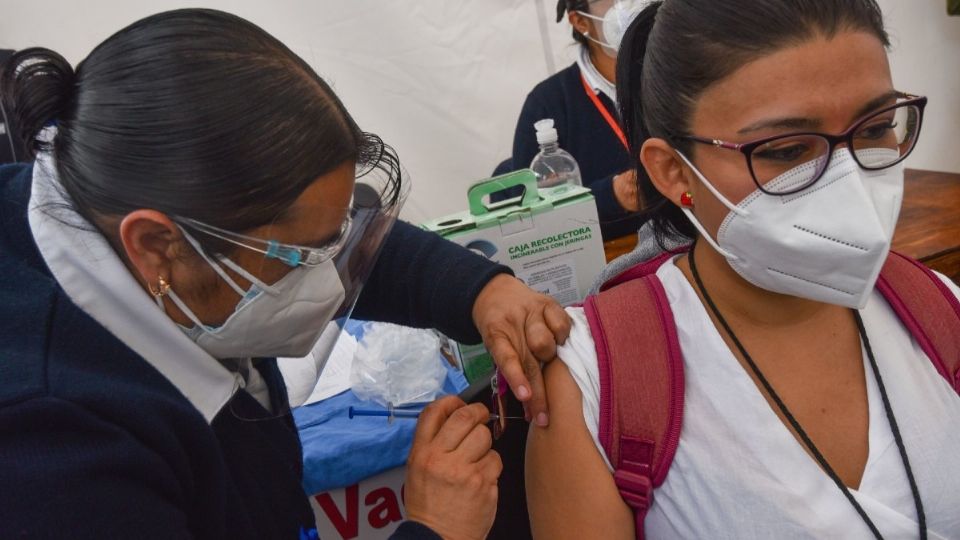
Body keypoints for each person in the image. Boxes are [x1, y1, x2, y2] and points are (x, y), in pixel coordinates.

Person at [0, 9, 571, 539]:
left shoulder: (131, 209)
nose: (331, 281)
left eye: (339, 241)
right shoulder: (54, 456)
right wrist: (431, 527)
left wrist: (481, 290)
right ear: (156, 245)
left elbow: (333, 238)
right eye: (299, 260)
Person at [526, 1, 960, 538]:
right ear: (671, 169)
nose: (849, 180)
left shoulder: (937, 308)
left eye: (875, 129)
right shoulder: (597, 383)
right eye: (786, 149)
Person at [504, 0, 649, 242]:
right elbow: (526, 217)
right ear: (580, 21)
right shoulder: (548, 104)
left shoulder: (675, 78)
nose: (629, 5)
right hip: (609, 256)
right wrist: (611, 196)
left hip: (688, 243)